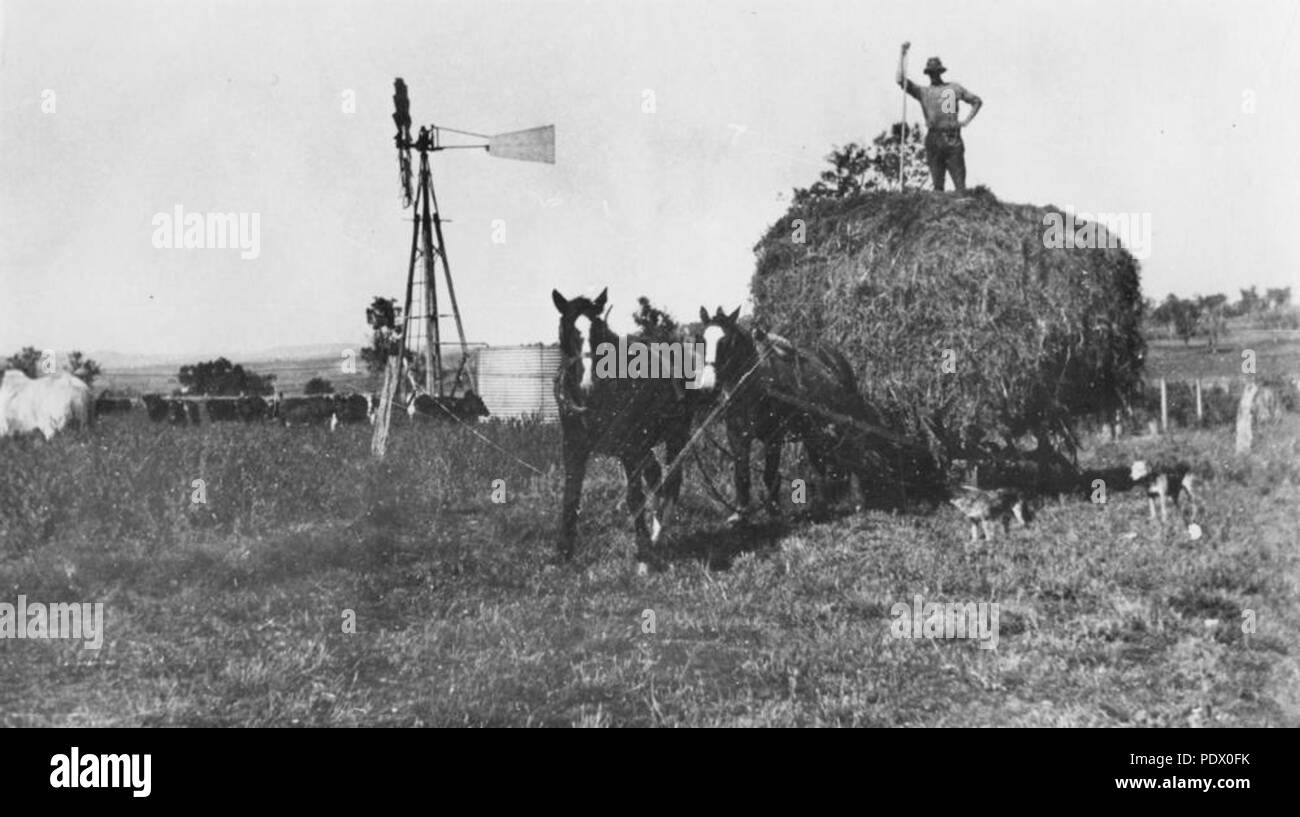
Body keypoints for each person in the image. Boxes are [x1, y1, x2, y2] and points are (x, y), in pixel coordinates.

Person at [896, 46, 983, 193]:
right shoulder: (923, 92)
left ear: (940, 72)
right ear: (928, 74)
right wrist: (902, 55)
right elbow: (900, 80)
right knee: (937, 187)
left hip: (952, 136)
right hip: (933, 138)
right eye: (931, 73)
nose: (933, 75)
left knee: (960, 186)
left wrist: (966, 121)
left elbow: (976, 101)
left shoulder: (954, 87)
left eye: (935, 72)